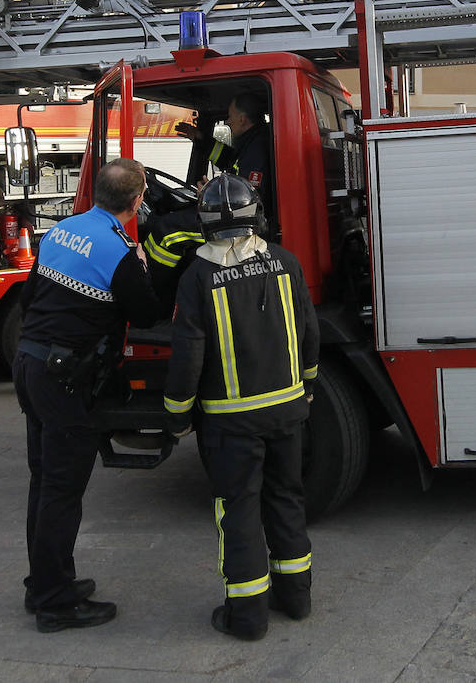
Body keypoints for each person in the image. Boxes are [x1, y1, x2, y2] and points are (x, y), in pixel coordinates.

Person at [164, 174, 318, 641]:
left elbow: (188, 352)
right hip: (289, 412)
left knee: (240, 511)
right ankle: (296, 600)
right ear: (256, 215)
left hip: (232, 424)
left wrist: (176, 416)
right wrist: (306, 387)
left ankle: (248, 619)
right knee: (287, 500)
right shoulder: (285, 262)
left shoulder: (198, 276)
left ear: (204, 223)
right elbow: (310, 332)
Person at [14, 157, 161, 632]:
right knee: (62, 488)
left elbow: (28, 298)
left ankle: (44, 584)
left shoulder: (61, 231)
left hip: (30, 364)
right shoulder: (121, 250)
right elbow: (145, 314)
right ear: (136, 201)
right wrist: (142, 266)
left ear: (97, 193)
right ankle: (56, 603)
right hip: (62, 377)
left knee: (44, 480)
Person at [176, 92, 276, 230]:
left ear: (242, 119)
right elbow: (229, 159)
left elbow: (246, 198)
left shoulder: (258, 148)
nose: (227, 121)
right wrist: (200, 139)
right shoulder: (252, 141)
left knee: (168, 227)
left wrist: (211, 195)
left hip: (246, 227)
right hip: (242, 223)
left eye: (229, 116)